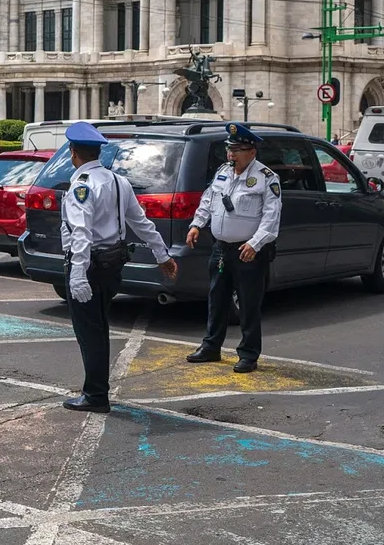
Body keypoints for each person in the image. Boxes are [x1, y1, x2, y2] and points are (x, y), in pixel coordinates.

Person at [60, 123, 178, 412]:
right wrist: (162, 255)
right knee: (98, 328)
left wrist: (77, 275)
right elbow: (141, 223)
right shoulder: (117, 181)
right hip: (111, 265)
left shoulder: (82, 185)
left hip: (89, 267)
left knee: (90, 332)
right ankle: (97, 391)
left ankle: (96, 395)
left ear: (73, 153)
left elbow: (81, 233)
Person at [184, 122, 283, 373]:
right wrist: (196, 225)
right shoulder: (223, 172)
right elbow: (208, 200)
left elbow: (271, 219)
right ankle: (211, 347)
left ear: (251, 151)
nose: (231, 155)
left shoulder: (266, 178)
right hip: (221, 249)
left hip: (247, 251)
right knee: (217, 300)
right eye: (229, 149)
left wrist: (255, 244)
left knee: (248, 305)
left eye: (237, 150)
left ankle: (248, 354)